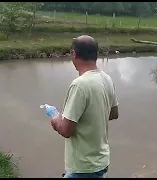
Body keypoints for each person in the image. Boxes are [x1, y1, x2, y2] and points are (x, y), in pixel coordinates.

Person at [50, 35, 119, 178]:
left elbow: (66, 130)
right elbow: (113, 114)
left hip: (83, 167)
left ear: (74, 54)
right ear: (96, 55)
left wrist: (55, 117)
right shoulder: (106, 78)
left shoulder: (79, 85)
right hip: (101, 161)